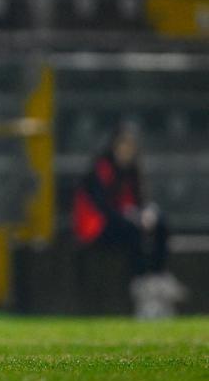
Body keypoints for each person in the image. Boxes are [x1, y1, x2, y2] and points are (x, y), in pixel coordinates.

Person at [72, 122, 186, 317]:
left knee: (160, 222)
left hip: (125, 220)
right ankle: (140, 282)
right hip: (97, 227)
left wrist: (146, 214)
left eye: (130, 147)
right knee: (133, 230)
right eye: (122, 146)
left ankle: (158, 276)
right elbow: (104, 209)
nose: (126, 151)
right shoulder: (102, 169)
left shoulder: (133, 170)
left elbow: (141, 202)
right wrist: (132, 216)